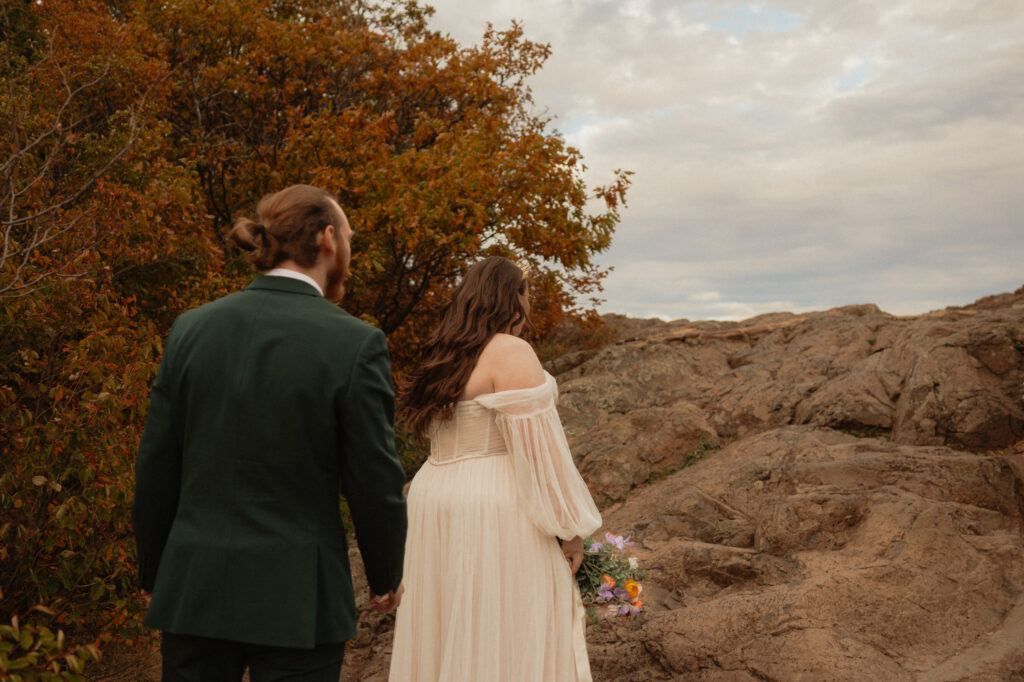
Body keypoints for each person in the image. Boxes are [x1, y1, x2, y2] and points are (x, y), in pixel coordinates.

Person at [132, 184, 407, 681]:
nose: (347, 246)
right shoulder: (355, 343)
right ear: (327, 239)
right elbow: (373, 479)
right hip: (299, 599)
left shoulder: (191, 329)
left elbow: (156, 463)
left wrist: (153, 570)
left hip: (195, 587)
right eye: (347, 235)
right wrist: (385, 574)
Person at [389, 256, 602, 681]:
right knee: (510, 618)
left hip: (434, 496)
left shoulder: (445, 351)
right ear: (513, 297)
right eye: (527, 295)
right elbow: (539, 452)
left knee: (446, 619)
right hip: (493, 502)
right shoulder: (510, 351)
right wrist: (569, 528)